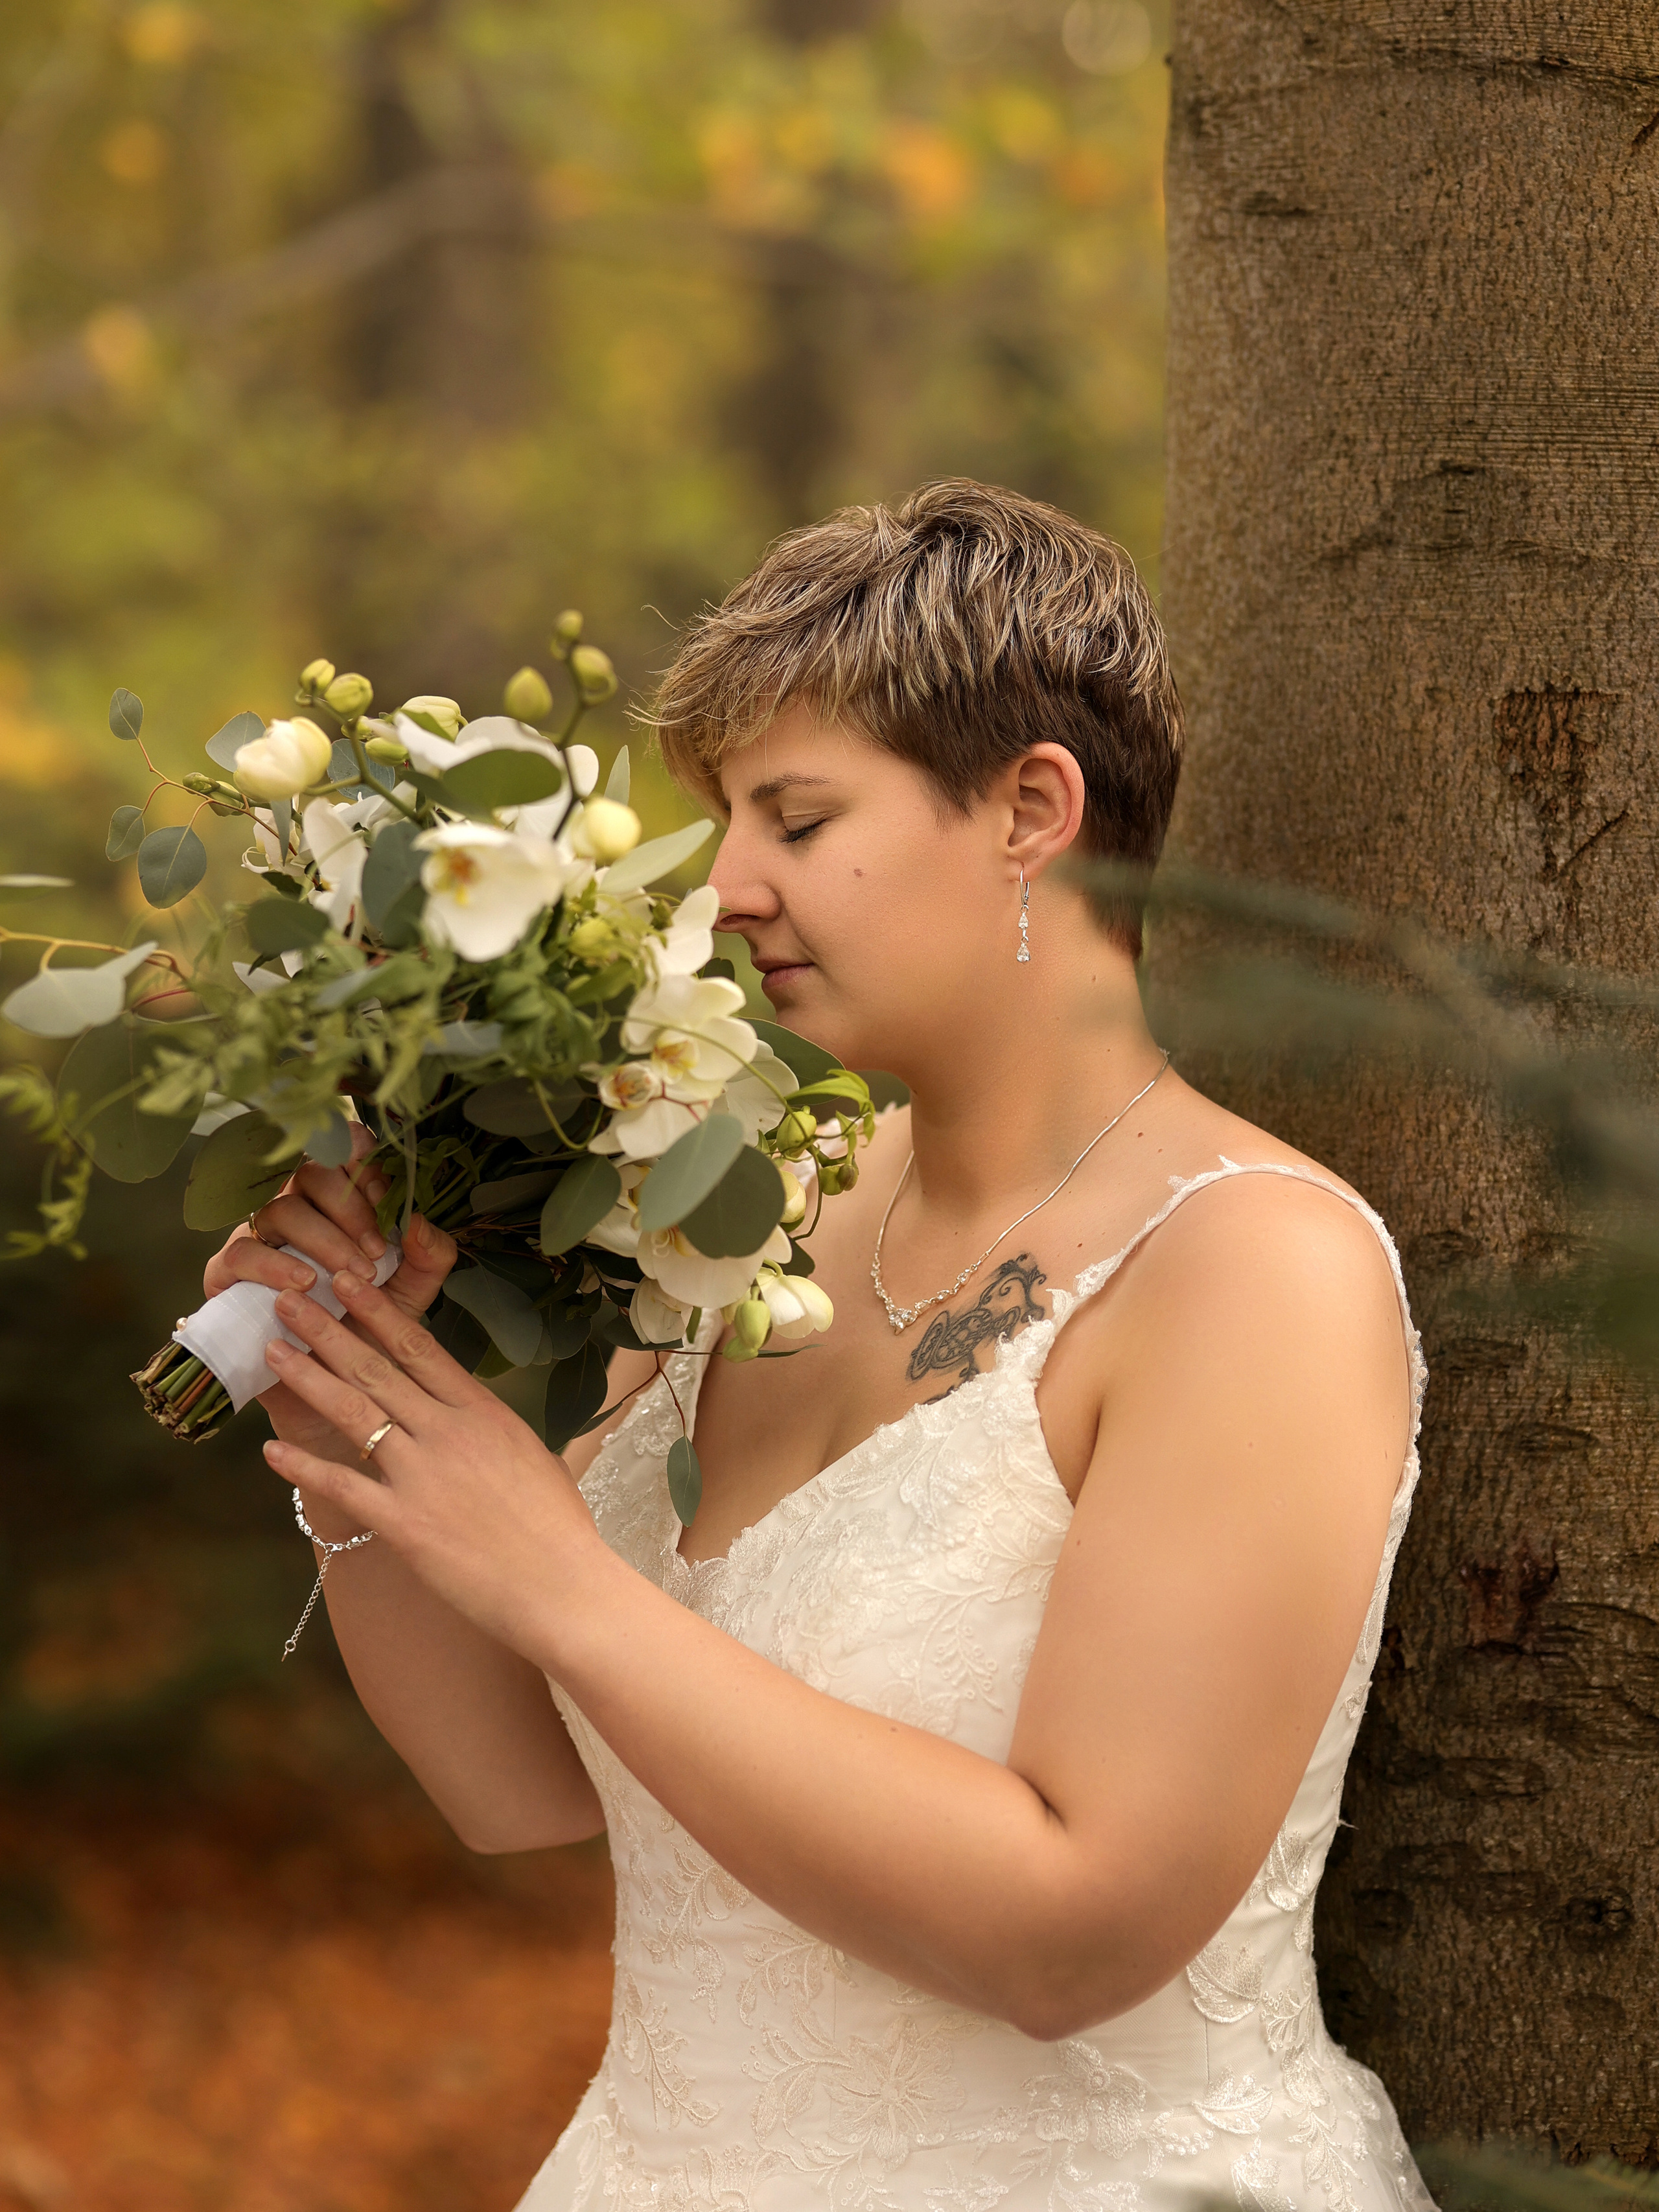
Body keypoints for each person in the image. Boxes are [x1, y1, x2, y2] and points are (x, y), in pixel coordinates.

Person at [209, 480, 1433, 2212]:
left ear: (1031, 808)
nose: (726, 888)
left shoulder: (1252, 1268)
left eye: (795, 816)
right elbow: (514, 1791)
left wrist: (558, 1573)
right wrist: (354, 1407)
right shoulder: (756, 1207)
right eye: (724, 820)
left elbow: (1075, 1939)